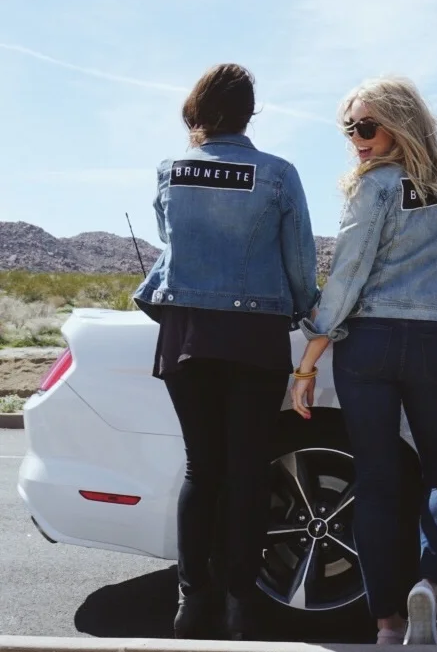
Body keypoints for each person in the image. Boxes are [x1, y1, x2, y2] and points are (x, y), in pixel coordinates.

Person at [290, 77, 437, 646]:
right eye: (349, 127)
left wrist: (311, 354)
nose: (356, 138)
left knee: (377, 482)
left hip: (369, 343)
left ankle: (385, 625)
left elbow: (348, 274)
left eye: (366, 126)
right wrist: (432, 293)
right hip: (432, 341)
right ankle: (427, 584)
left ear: (400, 123)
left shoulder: (373, 188)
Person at [133, 64, 319, 641]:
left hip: (187, 333)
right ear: (250, 112)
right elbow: (299, 260)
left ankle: (192, 601)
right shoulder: (279, 174)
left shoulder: (171, 171)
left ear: (197, 109)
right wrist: (308, 311)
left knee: (202, 468)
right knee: (246, 472)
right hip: (256, 335)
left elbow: (174, 242)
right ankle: (241, 603)